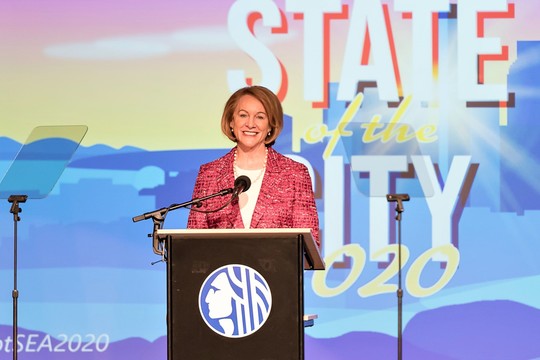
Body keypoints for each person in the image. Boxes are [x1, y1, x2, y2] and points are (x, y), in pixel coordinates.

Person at [187, 85, 320, 247]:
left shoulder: (295, 174)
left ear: (271, 125)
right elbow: (193, 243)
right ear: (231, 121)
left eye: (260, 117)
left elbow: (309, 242)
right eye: (243, 115)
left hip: (276, 271)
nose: (250, 124)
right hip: (222, 271)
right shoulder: (209, 174)